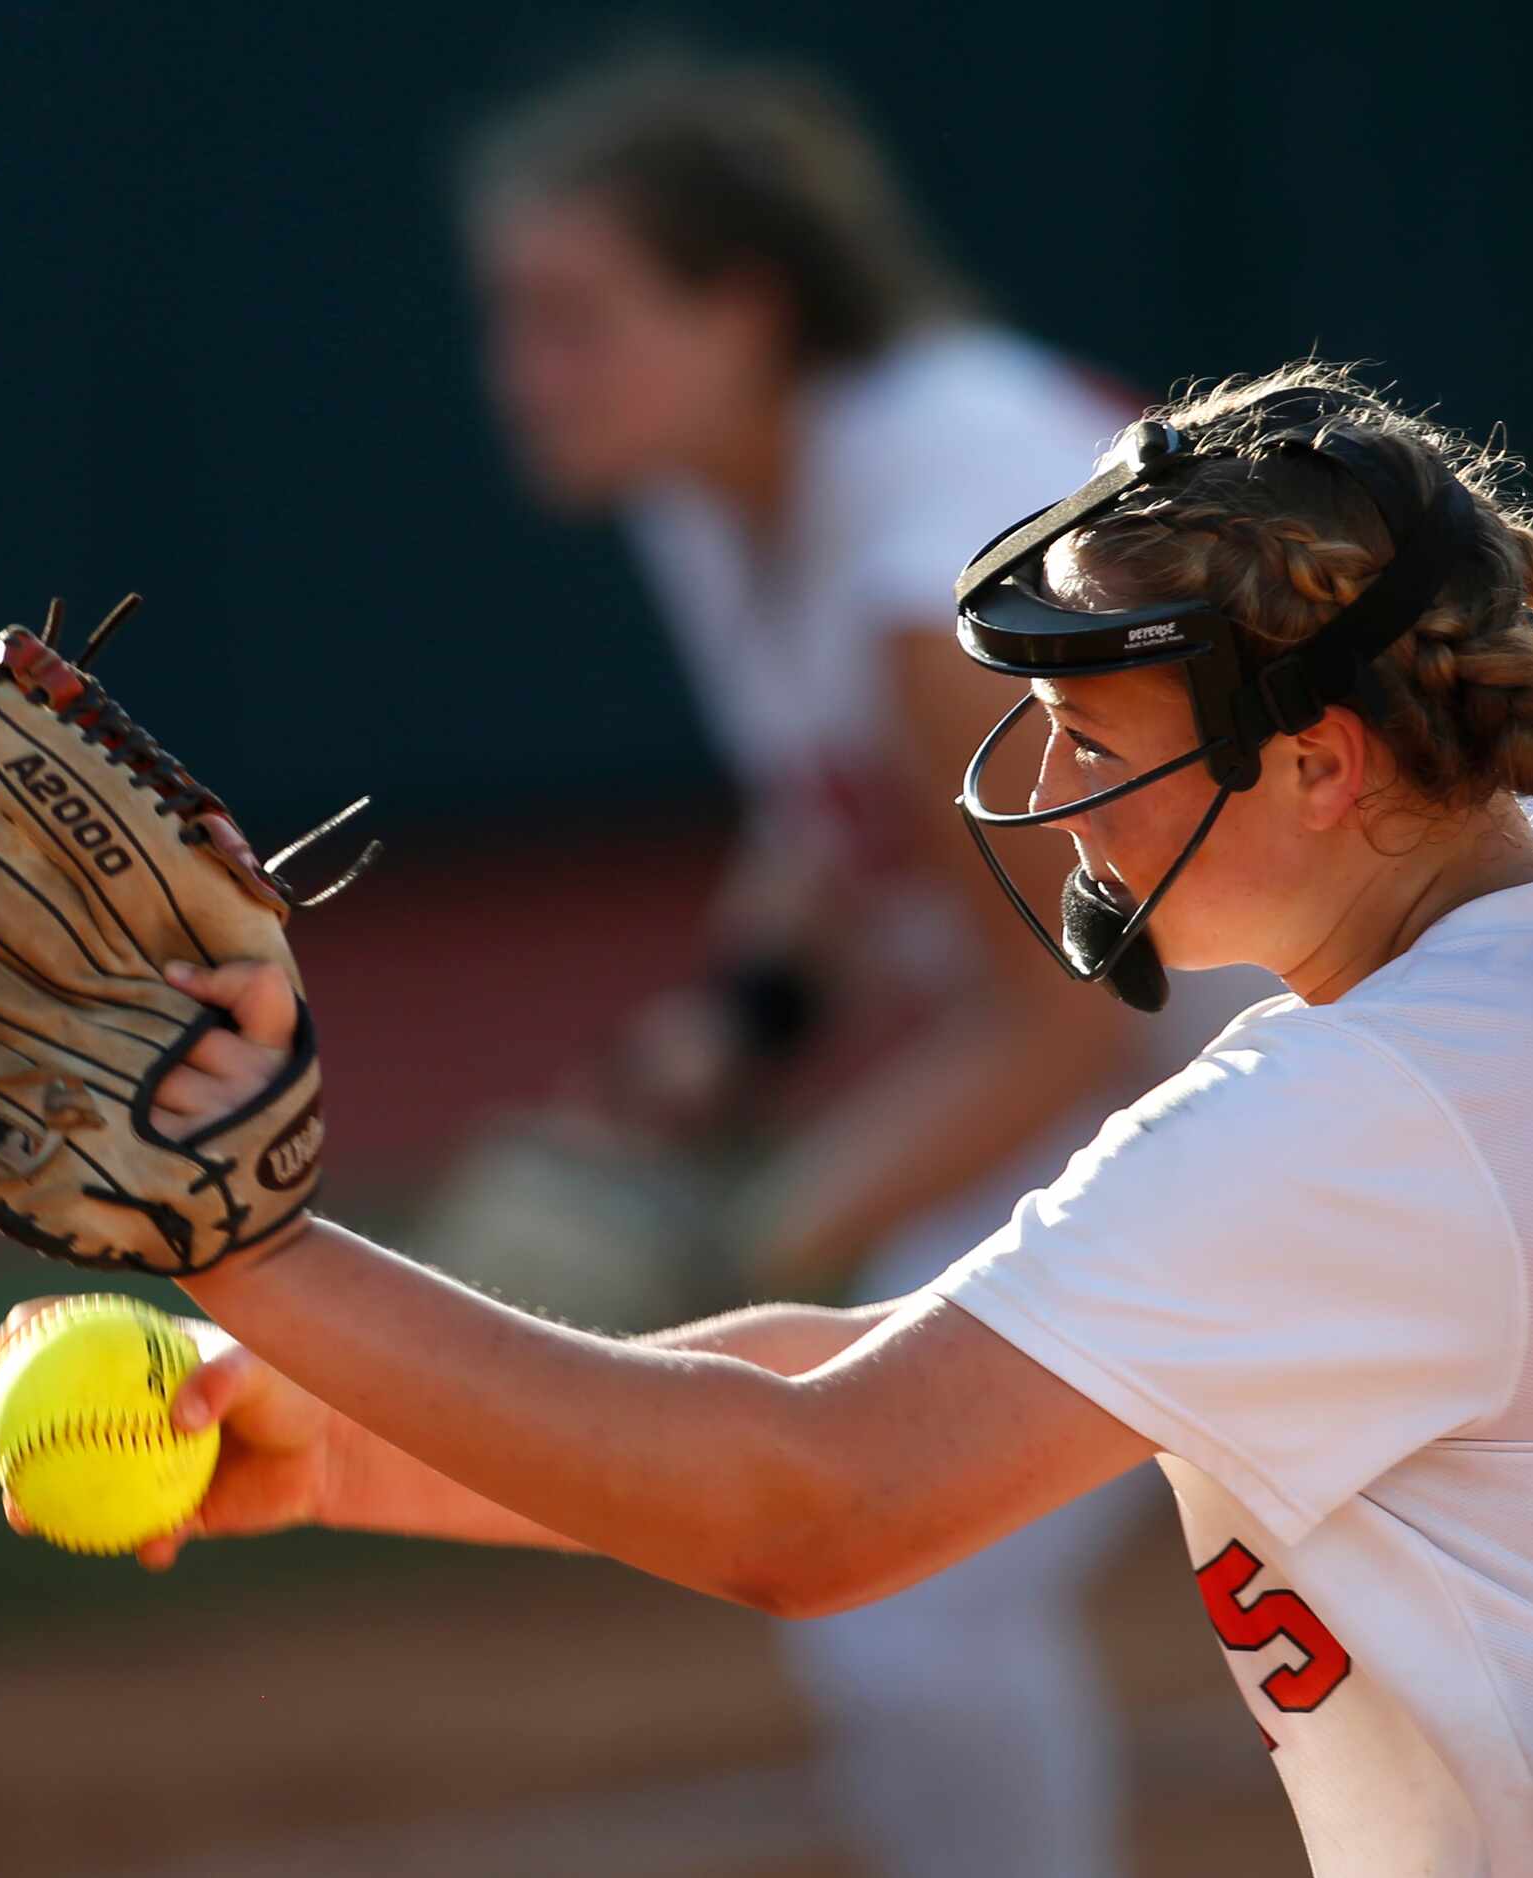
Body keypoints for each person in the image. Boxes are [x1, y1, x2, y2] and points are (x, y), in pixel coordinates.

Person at [0, 362, 1533, 1874]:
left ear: (1319, 765)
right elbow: (881, 1389)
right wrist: (324, 1438)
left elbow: (820, 1500)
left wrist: (248, 1237)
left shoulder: (1365, 1115)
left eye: (1092, 725)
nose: (1041, 775)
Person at [427, 54, 1268, 1877]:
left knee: (916, 1566)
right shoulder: (730, 489)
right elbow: (841, 810)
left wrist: (754, 1244)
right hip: (1213, 1051)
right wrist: (737, 1029)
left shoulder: (931, 558)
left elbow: (1063, 1020)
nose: (526, 372)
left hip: (1367, 1048)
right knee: (896, 1571)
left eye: (576, 319)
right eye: (513, 319)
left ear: (748, 307)